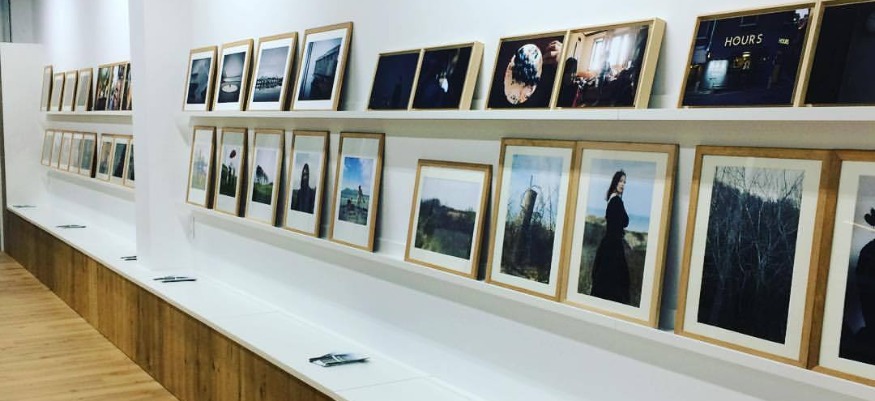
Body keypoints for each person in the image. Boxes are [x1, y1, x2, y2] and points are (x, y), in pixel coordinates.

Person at [590, 170, 630, 304]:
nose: (623, 184)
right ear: (615, 182)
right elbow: (625, 221)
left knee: (605, 280)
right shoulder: (616, 201)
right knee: (617, 282)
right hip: (614, 245)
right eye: (620, 181)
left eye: (624, 182)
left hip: (608, 243)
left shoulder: (612, 200)